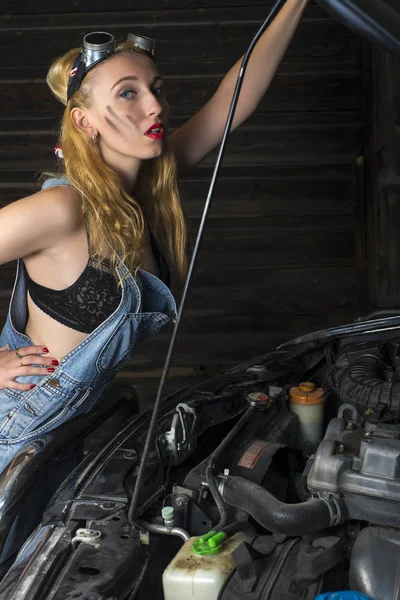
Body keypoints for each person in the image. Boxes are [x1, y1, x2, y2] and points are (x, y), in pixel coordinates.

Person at [0, 0, 309, 474]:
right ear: (84, 121)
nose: (155, 105)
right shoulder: (62, 209)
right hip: (14, 426)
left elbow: (232, 101)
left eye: (156, 88)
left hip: (65, 430)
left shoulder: (143, 188)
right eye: (128, 93)